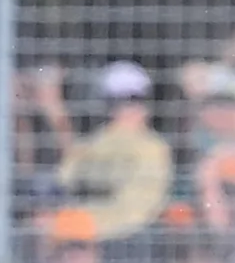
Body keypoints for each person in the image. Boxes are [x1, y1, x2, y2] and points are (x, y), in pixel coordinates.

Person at [34, 60, 174, 245]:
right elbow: (65, 179)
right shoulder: (97, 140)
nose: (129, 109)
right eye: (119, 101)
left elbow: (136, 210)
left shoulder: (154, 147)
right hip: (83, 233)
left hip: (125, 241)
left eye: (135, 100)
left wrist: (79, 224)